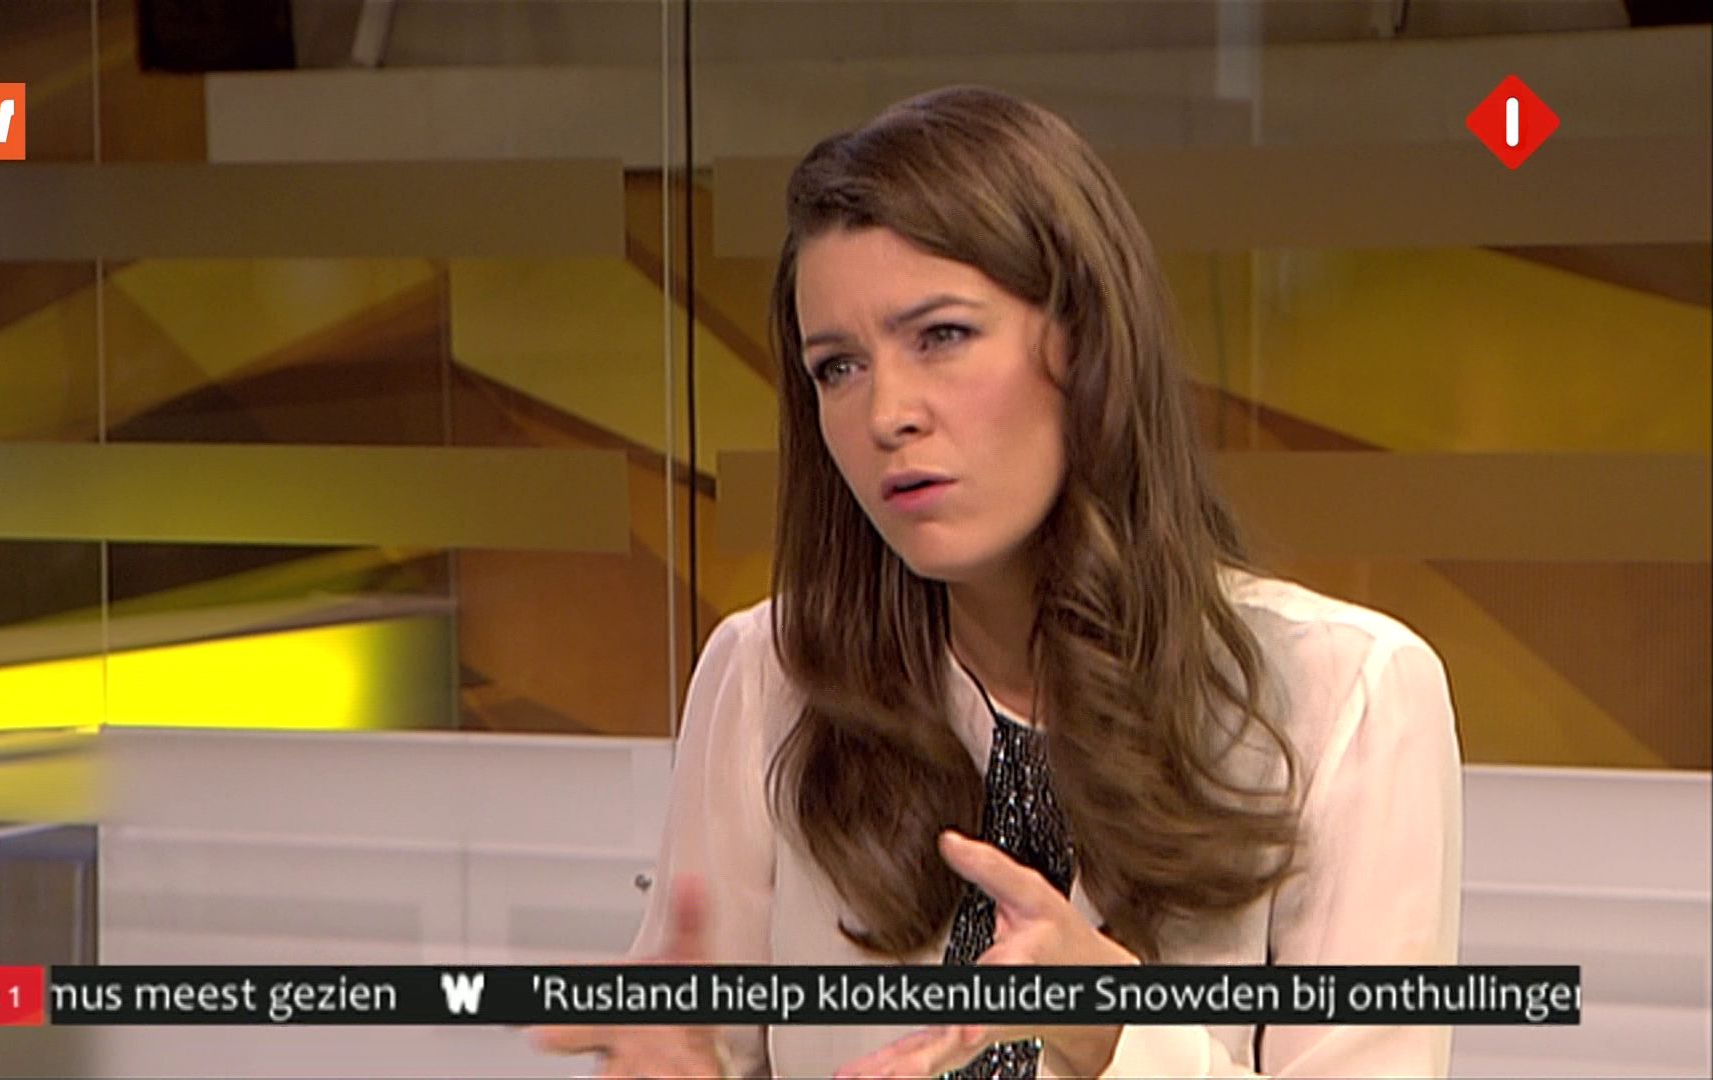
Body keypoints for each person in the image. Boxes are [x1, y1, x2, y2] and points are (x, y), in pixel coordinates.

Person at [534, 85, 1462, 1079]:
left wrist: (1117, 1035)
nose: (887, 413)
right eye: (838, 367)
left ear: (1086, 344)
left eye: (940, 336)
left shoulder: (1348, 695)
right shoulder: (769, 677)